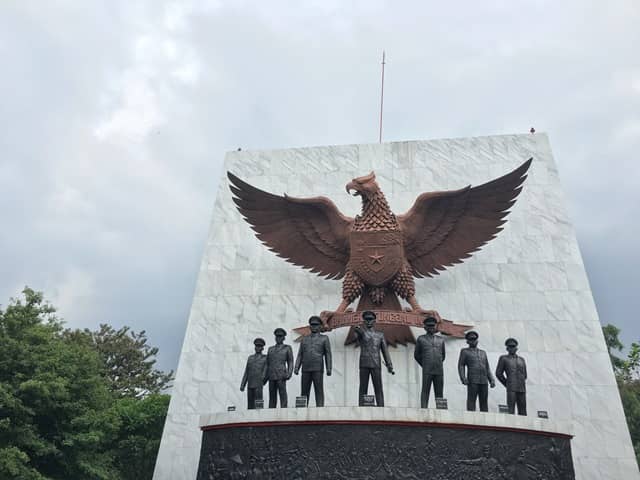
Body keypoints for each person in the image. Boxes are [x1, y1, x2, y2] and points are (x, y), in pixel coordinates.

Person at [354, 311, 394, 406]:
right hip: (364, 363)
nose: (368, 321)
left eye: (370, 319)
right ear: (363, 321)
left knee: (378, 387)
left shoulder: (380, 335)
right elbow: (358, 336)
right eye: (366, 320)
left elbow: (385, 351)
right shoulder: (361, 332)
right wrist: (358, 330)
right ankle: (361, 407)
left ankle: (381, 407)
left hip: (376, 363)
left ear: (374, 320)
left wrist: (389, 364)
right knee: (363, 387)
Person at [294, 316, 332, 406]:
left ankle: (320, 408)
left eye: (316, 325)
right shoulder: (304, 339)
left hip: (317, 368)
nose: (314, 327)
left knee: (318, 390)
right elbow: (300, 354)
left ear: (320, 326)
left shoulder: (324, 338)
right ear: (310, 326)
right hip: (306, 368)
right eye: (312, 325)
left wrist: (329, 368)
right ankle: (302, 409)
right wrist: (296, 367)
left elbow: (328, 354)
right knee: (304, 391)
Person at [457, 330, 495, 412]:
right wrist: (463, 378)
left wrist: (491, 379)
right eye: (471, 339)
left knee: (484, 402)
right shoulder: (465, 351)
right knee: (471, 401)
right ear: (467, 341)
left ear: (477, 340)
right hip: (472, 380)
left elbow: (487, 368)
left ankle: (485, 421)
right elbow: (461, 365)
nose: (473, 341)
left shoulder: (483, 353)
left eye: (474, 339)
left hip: (484, 381)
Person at [414, 316, 445, 408]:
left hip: (439, 369)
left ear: (435, 326)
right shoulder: (421, 339)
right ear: (425, 327)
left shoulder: (441, 340)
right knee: (425, 390)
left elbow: (443, 355)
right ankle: (424, 408)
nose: (431, 327)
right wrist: (424, 365)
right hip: (427, 369)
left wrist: (438, 363)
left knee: (439, 391)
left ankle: (441, 409)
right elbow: (417, 355)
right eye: (429, 326)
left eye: (433, 326)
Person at [495, 337, 527, 415]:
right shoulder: (503, 358)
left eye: (513, 346)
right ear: (507, 348)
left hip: (521, 387)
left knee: (523, 409)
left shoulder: (522, 360)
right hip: (511, 387)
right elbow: (498, 373)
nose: (512, 348)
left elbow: (525, 375)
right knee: (510, 409)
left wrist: (521, 381)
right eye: (510, 347)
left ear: (516, 348)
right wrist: (507, 384)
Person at [266, 328, 294, 408]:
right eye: (277, 336)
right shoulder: (270, 349)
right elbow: (267, 364)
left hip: (281, 375)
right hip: (271, 375)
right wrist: (265, 377)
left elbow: (290, 361)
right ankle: (271, 411)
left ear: (283, 338)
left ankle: (284, 409)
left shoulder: (287, 348)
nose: (278, 338)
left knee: (282, 394)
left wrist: (289, 373)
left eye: (280, 336)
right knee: (272, 396)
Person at [240, 337, 268, 409]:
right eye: (256, 346)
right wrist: (243, 384)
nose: (258, 348)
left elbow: (266, 371)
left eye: (259, 346)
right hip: (250, 384)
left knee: (258, 404)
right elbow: (246, 372)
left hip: (258, 384)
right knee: (250, 405)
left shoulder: (265, 358)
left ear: (262, 348)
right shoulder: (250, 358)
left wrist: (263, 381)